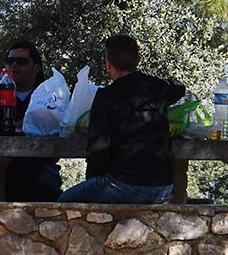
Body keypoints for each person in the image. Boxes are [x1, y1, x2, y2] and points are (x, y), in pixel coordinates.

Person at [57, 35, 185, 204]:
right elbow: (180, 88)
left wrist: (93, 181)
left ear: (108, 65)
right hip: (163, 187)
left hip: (124, 185)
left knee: (64, 201)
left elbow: (98, 150)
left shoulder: (106, 97)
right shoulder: (158, 88)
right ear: (138, 61)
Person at [0, 41, 62, 202]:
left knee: (46, 186)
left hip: (39, 164)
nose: (14, 65)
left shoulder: (48, 96)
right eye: (10, 61)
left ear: (36, 67)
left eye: (21, 62)